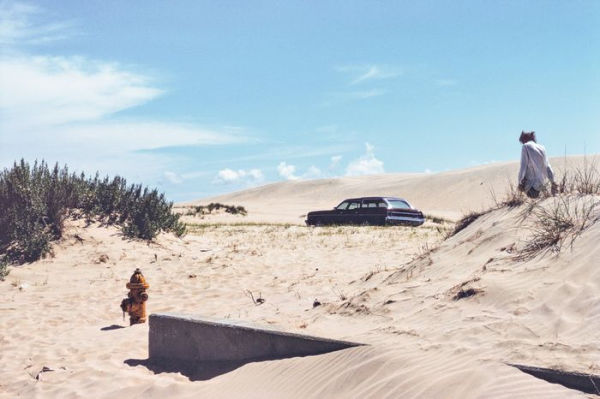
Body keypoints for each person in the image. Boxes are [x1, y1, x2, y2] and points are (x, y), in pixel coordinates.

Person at [517, 131, 557, 198]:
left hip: (531, 187)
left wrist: (520, 182)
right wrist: (553, 182)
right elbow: (548, 166)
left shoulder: (525, 146)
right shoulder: (542, 148)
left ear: (524, 140)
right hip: (542, 186)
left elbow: (523, 167)